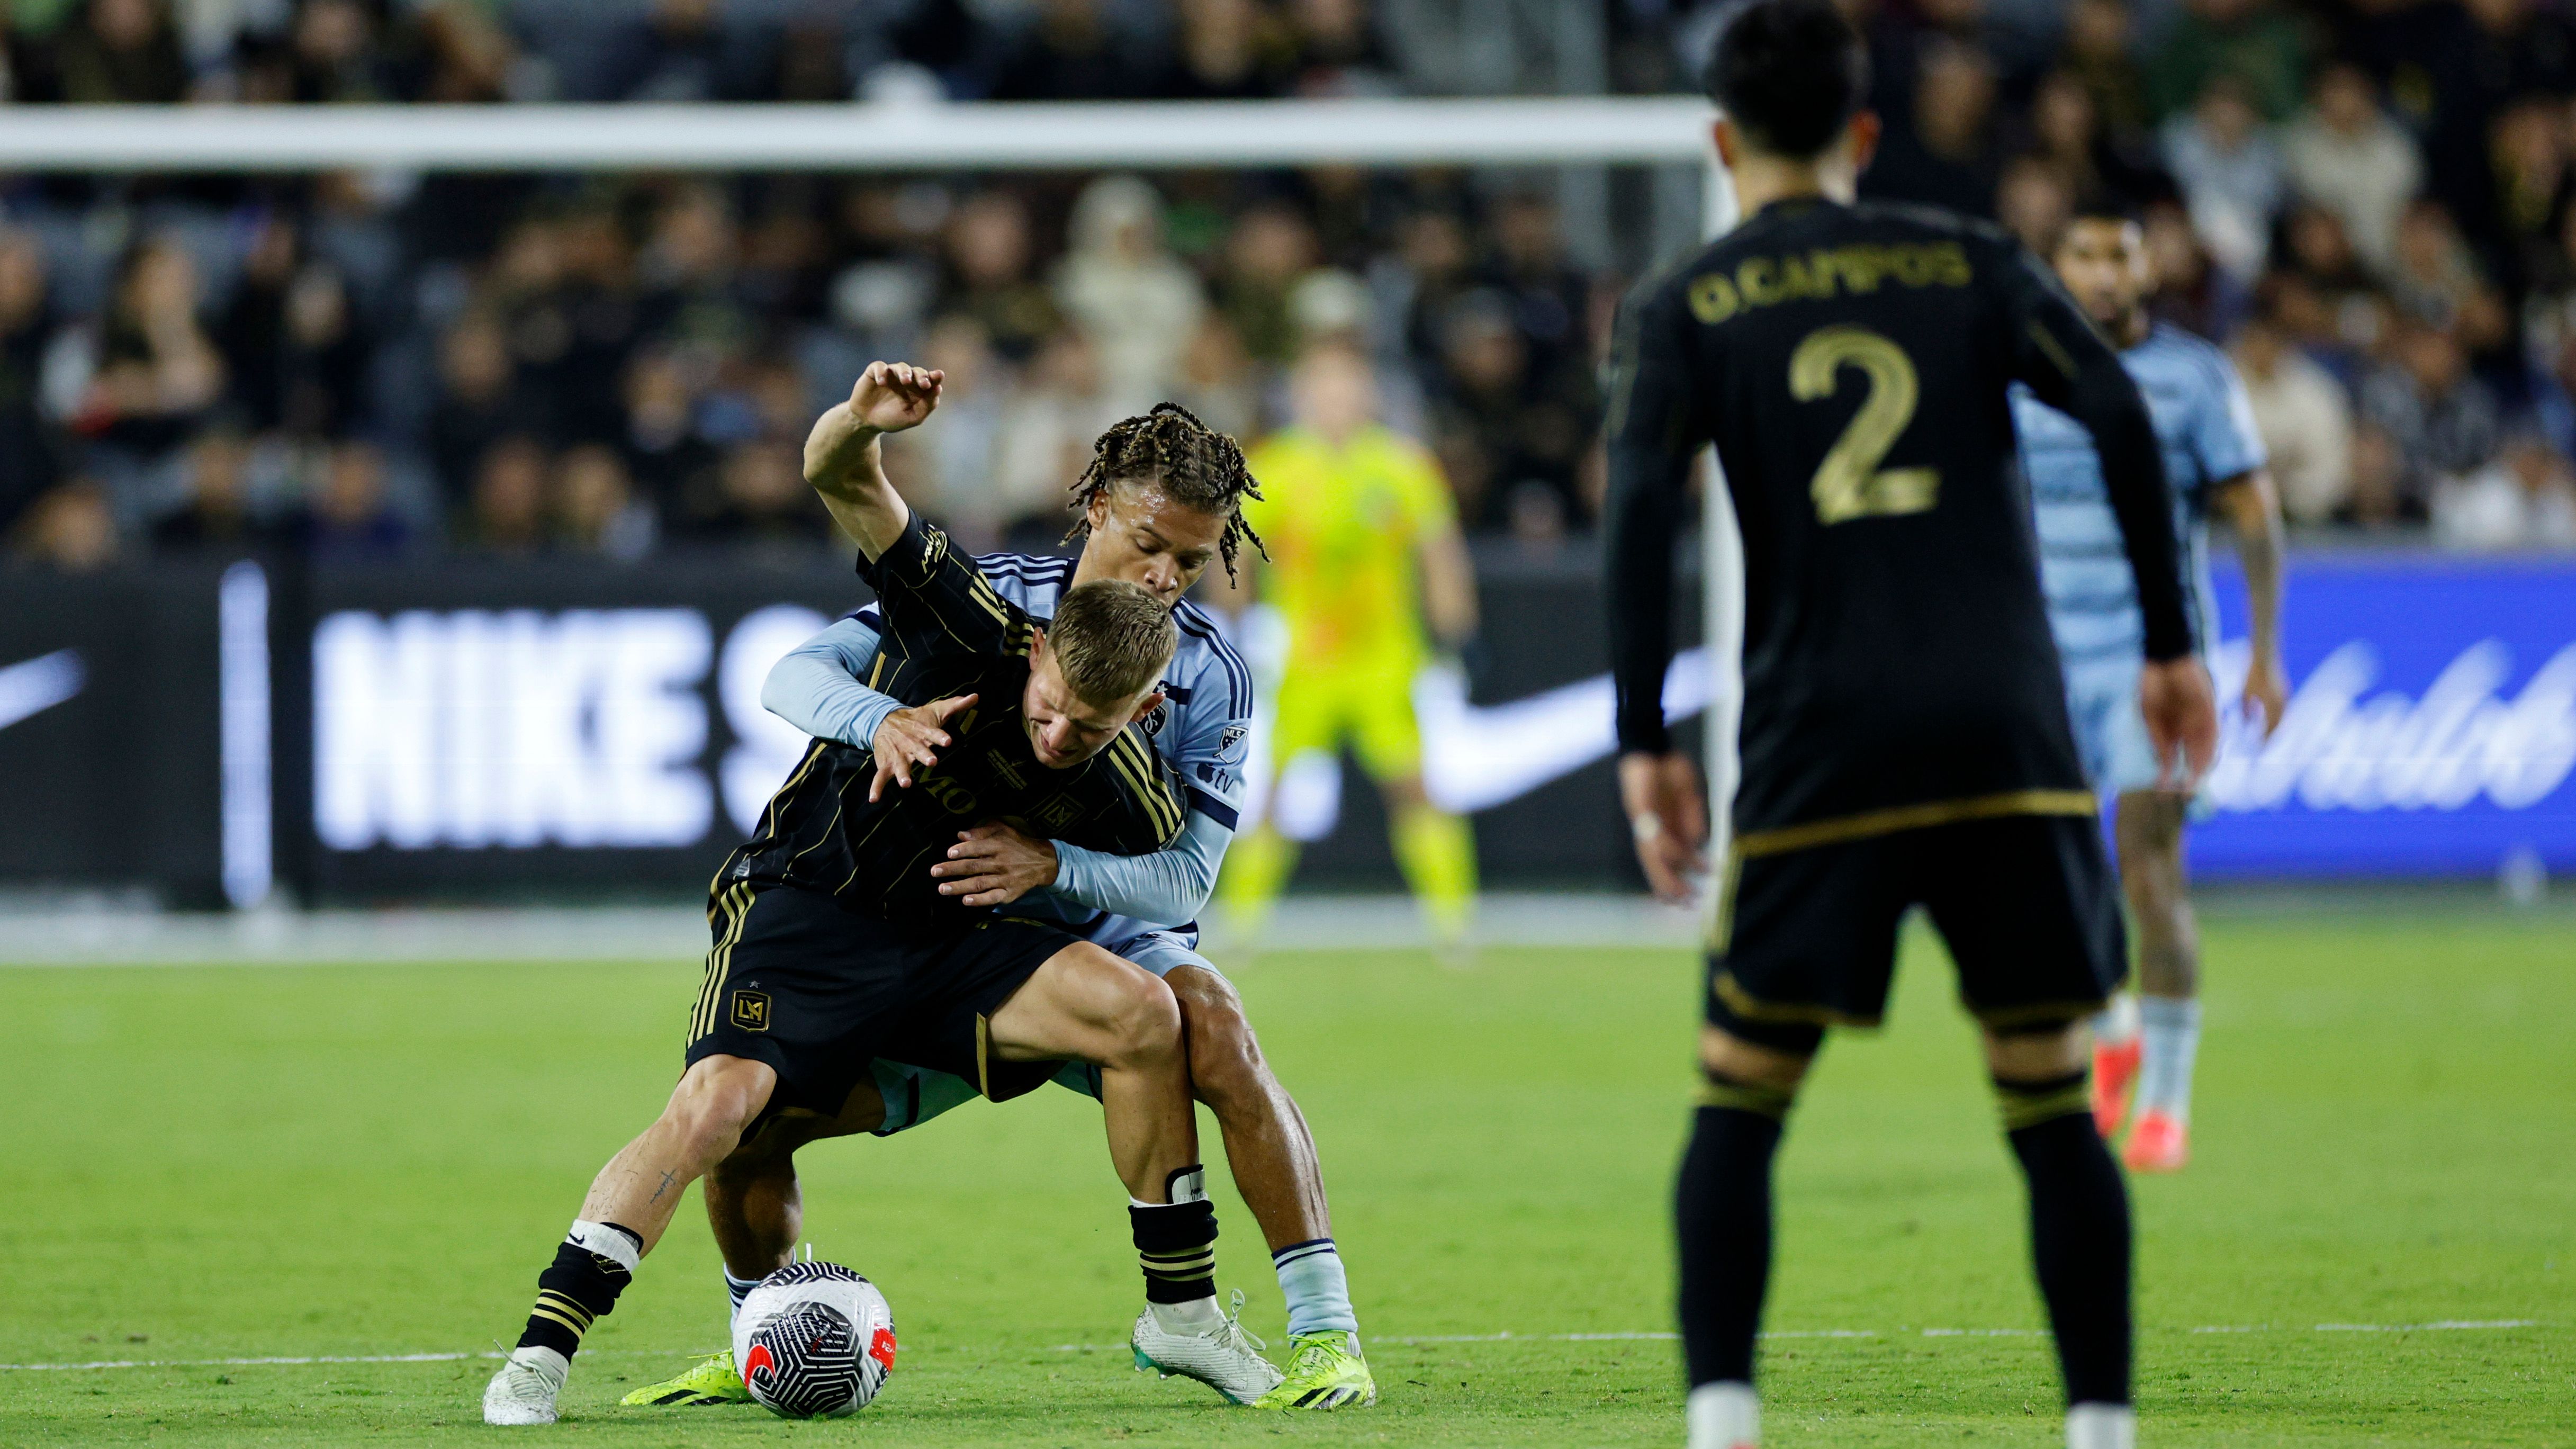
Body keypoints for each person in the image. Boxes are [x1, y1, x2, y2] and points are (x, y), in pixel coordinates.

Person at [1602, 6, 2218, 1449]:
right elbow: (2121, 415)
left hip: (1827, 740)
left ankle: (1724, 1419)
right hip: (2009, 731)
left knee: (1741, 1095)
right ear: (1863, 136)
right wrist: (2173, 646)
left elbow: (1637, 517)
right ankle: (2101, 1429)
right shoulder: (1969, 260)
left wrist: (1647, 740)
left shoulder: (1686, 303)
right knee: (2048, 1097)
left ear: (1718, 142)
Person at [482, 362, 1271, 1424]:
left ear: (1137, 724)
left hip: (952, 939)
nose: (1055, 740)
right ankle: (544, 1348)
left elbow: (1180, 883)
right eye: (1046, 711)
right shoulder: (970, 624)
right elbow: (843, 498)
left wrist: (1054, 868)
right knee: (723, 1111)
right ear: (1032, 652)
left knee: (1145, 1011)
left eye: (1088, 731)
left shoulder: (1129, 787)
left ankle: (1180, 1311)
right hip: (814, 904)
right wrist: (858, 427)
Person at [623, 398, 1377, 1414]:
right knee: (754, 1124)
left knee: (1216, 1023)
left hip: (1077, 923)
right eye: (1152, 544)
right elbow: (798, 671)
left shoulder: (1212, 672)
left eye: (1190, 564)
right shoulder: (994, 601)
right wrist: (882, 719)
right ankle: (761, 1333)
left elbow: (1187, 883)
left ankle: (1325, 1337)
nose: (1165, 576)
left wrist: (1050, 862)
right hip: (934, 920)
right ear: (1100, 505)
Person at [2017, 201, 2287, 1172]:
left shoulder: (2192, 377)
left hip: (2152, 659)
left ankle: (2165, 1105)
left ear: (2146, 267)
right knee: (2038, 875)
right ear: (2056, 263)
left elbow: (2253, 509)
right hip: (2039, 659)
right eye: (2081, 252)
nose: (2100, 272)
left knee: (2148, 865)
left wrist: (2263, 650)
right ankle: (2112, 1019)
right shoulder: (2017, 372)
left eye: (2117, 254)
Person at [1221, 339, 1481, 947]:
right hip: (1307, 662)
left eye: (1347, 387)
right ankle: (1241, 923)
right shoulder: (1277, 467)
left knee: (1414, 786)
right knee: (1275, 793)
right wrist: (1235, 624)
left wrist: (1458, 629)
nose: (1336, 401)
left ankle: (1453, 921)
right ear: (1302, 398)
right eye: (1323, 388)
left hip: (1385, 660)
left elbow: (1439, 551)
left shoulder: (1401, 466)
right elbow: (1232, 548)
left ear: (1368, 396)